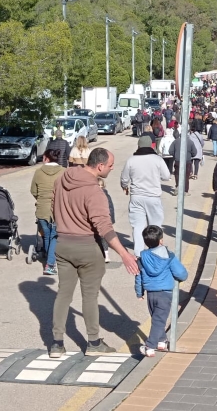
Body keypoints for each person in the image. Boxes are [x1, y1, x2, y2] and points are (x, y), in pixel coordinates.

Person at [50, 148, 139, 358]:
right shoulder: (94, 191)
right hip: (87, 248)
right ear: (99, 166)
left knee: (63, 294)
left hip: (62, 244)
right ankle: (93, 342)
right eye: (110, 166)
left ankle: (56, 343)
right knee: (90, 297)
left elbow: (52, 208)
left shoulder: (62, 179)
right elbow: (104, 227)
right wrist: (125, 254)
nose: (111, 168)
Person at [134, 225, 188, 356]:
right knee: (159, 319)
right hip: (165, 293)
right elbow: (181, 273)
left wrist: (139, 292)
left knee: (157, 318)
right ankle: (150, 346)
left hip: (150, 293)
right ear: (161, 241)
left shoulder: (142, 258)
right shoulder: (169, 256)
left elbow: (138, 276)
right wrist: (182, 277)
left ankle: (162, 340)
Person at [120, 136, 171, 257]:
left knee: (137, 226)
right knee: (155, 225)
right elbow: (166, 176)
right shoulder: (157, 159)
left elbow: (124, 178)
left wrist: (124, 186)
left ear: (138, 145)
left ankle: (139, 253)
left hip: (136, 197)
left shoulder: (131, 160)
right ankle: (156, 251)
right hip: (153, 197)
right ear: (151, 145)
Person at [30, 148, 65, 275]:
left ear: (46, 158)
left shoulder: (38, 172)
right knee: (55, 236)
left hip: (42, 208)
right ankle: (50, 264)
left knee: (46, 234)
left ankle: (47, 256)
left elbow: (33, 190)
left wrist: (41, 198)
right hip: (58, 209)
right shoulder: (63, 172)